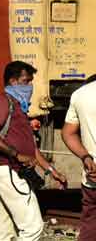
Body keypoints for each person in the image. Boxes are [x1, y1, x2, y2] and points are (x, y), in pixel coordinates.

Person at [0, 61, 66, 241]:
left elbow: (32, 149)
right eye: (26, 81)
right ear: (13, 81)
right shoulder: (4, 102)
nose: (30, 87)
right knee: (33, 228)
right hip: (8, 171)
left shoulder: (19, 107)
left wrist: (52, 171)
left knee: (6, 232)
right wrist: (16, 155)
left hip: (6, 173)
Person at [61, 74, 96, 241]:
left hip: (92, 176)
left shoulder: (80, 94)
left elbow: (68, 133)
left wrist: (86, 157)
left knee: (90, 226)